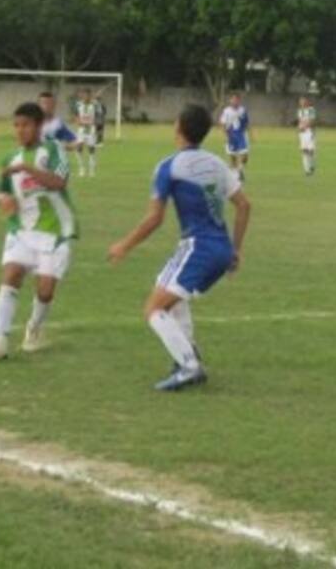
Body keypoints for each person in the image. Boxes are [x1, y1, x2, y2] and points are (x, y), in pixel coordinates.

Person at [108, 104, 252, 392]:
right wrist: (235, 250)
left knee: (153, 309)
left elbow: (154, 219)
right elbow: (244, 206)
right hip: (220, 247)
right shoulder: (217, 163)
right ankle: (188, 354)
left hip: (198, 247)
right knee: (168, 290)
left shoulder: (169, 166)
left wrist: (125, 245)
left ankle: (189, 366)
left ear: (178, 127)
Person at [0, 102, 78, 361]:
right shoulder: (10, 158)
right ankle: (0, 338)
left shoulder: (53, 149)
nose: (19, 130)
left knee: (45, 290)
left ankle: (34, 328)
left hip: (56, 230)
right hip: (21, 229)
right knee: (11, 273)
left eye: (25, 125)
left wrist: (28, 169)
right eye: (16, 125)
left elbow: (59, 182)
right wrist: (2, 199)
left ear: (38, 126)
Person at [219, 93, 252, 181]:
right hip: (231, 136)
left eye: (237, 100)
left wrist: (251, 133)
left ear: (239, 101)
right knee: (233, 158)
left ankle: (240, 169)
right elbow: (222, 124)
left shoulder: (243, 110)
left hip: (242, 135)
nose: (235, 101)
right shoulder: (226, 111)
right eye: (233, 99)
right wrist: (225, 136)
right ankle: (236, 175)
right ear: (230, 100)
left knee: (245, 155)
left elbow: (247, 122)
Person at [73, 88, 102, 178]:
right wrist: (78, 122)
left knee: (91, 149)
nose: (86, 97)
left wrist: (96, 124)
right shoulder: (78, 104)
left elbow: (100, 115)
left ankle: (91, 170)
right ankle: (81, 168)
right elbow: (75, 115)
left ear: (90, 95)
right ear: (82, 95)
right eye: (84, 95)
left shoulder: (95, 104)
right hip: (81, 129)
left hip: (91, 129)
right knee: (78, 147)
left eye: (88, 95)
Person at [297, 96, 318, 176]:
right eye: (301, 101)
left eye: (303, 101)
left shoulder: (311, 110)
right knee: (304, 151)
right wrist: (299, 128)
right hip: (302, 133)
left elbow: (312, 121)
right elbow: (300, 121)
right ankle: (307, 170)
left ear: (307, 102)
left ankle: (312, 166)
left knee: (311, 151)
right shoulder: (300, 111)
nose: (302, 103)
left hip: (310, 132)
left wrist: (305, 126)